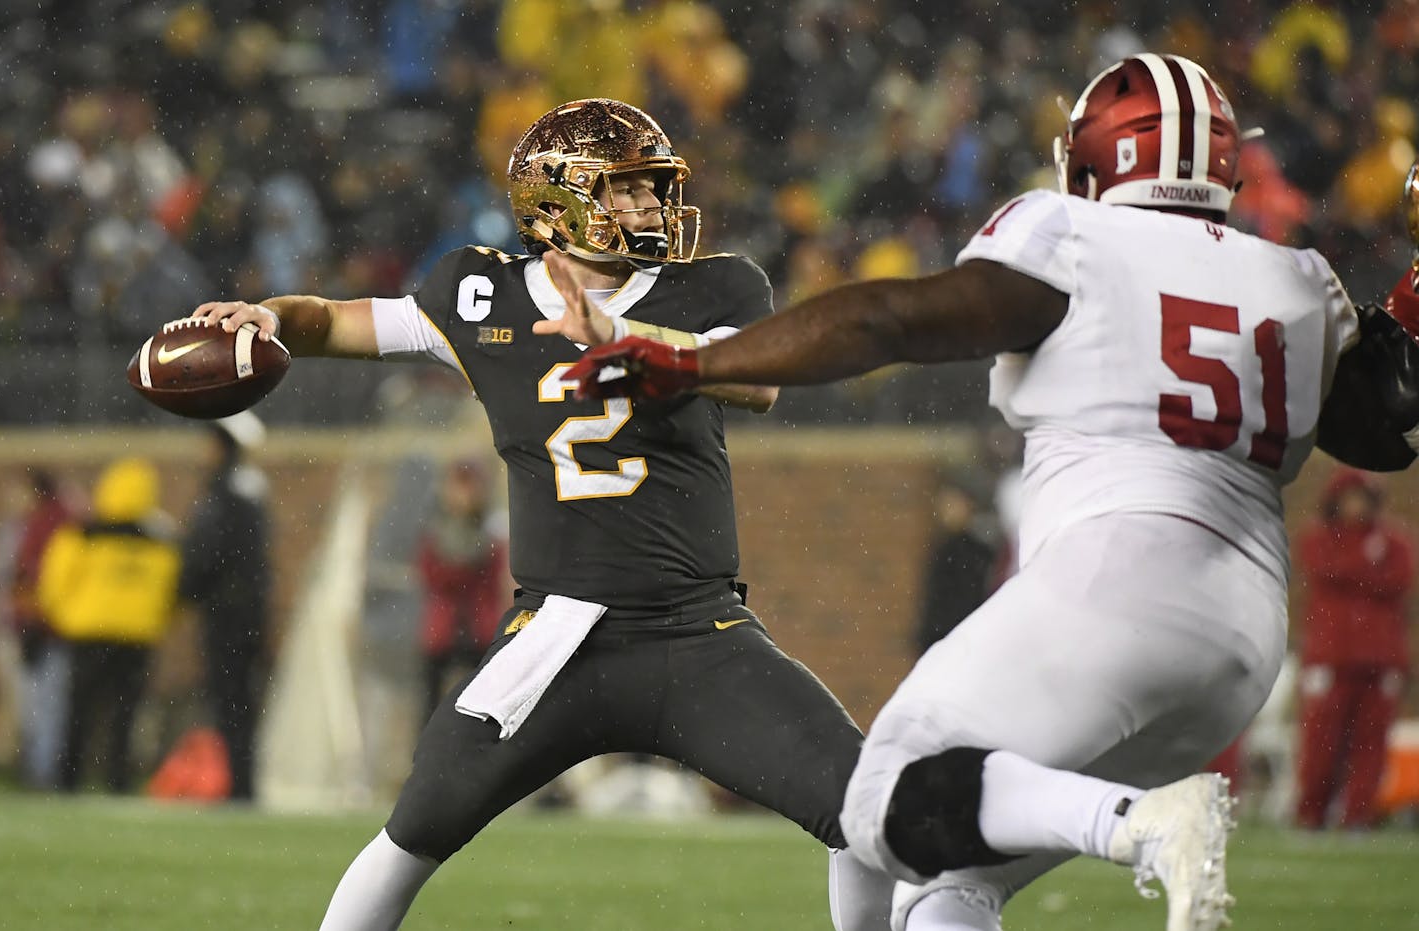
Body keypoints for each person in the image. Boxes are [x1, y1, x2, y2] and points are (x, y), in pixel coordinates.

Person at [566, 56, 1419, 931]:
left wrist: (694, 362)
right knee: (951, 873)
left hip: (1117, 580)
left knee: (879, 795)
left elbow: (885, 320)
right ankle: (1133, 823)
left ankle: (1142, 829)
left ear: (1100, 160)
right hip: (1242, 638)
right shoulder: (1298, 279)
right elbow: (1381, 425)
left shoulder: (1071, 232)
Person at [185, 98, 892, 931]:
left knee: (870, 808)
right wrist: (270, 316)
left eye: (651, 189)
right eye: (622, 191)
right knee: (415, 829)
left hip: (699, 632)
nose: (648, 208)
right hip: (560, 638)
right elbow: (338, 323)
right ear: (556, 206)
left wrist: (626, 336)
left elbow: (761, 378)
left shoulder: (716, 285)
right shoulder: (480, 293)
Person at [38, 457, 181, 793]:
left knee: (79, 710)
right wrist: (154, 620)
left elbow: (55, 580)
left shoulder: (85, 531)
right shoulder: (161, 538)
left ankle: (67, 779)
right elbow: (172, 591)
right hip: (136, 636)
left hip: (89, 632)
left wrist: (65, 616)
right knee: (124, 714)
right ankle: (117, 779)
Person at [1293, 467, 1414, 830]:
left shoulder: (1394, 543)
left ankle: (1358, 817)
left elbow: (1400, 579)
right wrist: (1368, 564)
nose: (1356, 507)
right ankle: (1310, 816)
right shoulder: (1319, 539)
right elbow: (1325, 569)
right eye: (1349, 498)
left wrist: (1361, 568)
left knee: (1370, 745)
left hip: (1379, 660)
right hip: (1331, 658)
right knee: (1320, 743)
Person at [179, 411, 273, 802]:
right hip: (245, 615)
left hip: (228, 617)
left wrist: (186, 588)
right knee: (240, 703)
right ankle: (242, 782)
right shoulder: (248, 492)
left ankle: (240, 786)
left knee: (231, 701)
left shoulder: (229, 494)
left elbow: (207, 556)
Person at [415, 458, 509, 723]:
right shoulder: (436, 532)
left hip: (478, 633)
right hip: (445, 634)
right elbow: (433, 576)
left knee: (482, 712)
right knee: (431, 712)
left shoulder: (491, 533)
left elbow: (490, 577)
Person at [7, 469, 73, 788]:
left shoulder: (47, 525)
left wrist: (31, 615)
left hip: (45, 628)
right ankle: (45, 769)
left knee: (44, 704)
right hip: (50, 627)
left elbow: (35, 578)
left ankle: (44, 772)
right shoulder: (60, 521)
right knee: (45, 704)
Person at [912, 479, 995, 657]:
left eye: (953, 504)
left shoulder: (974, 553)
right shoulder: (943, 549)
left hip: (960, 642)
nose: (947, 510)